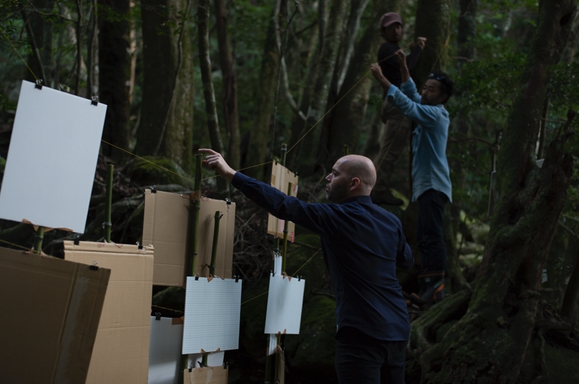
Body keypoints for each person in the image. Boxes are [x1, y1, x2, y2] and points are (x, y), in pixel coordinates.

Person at [199, 148, 413, 384]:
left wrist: (230, 173)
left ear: (353, 183)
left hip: (362, 334)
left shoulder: (338, 217)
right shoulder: (390, 221)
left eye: (334, 173)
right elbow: (407, 259)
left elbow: (283, 204)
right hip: (398, 329)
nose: (327, 178)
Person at [370, 50, 453, 304]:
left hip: (433, 185)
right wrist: (404, 65)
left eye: (432, 90)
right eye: (426, 87)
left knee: (431, 236)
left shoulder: (435, 114)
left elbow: (408, 104)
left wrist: (383, 79)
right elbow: (412, 93)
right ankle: (427, 286)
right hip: (426, 186)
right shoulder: (428, 107)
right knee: (425, 236)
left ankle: (435, 288)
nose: (426, 92)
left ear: (442, 96)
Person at [373, 12, 426, 206]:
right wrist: (419, 50)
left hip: (395, 103)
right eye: (392, 27)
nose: (397, 30)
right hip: (397, 105)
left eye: (399, 26)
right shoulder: (387, 48)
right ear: (383, 30)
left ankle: (376, 186)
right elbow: (408, 68)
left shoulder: (393, 49)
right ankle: (378, 189)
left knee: (388, 148)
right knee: (390, 151)